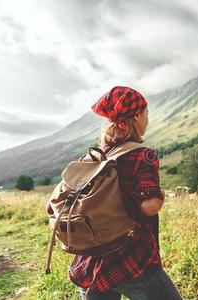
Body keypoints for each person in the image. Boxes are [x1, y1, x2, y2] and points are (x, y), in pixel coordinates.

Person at [56, 86, 182, 300]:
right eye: (146, 114)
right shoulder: (143, 156)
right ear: (136, 116)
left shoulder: (94, 157)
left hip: (91, 258)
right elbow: (149, 207)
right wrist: (161, 194)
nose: (148, 119)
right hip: (130, 260)